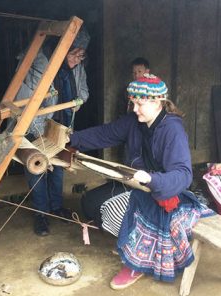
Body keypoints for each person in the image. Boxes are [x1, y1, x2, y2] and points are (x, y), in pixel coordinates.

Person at [69, 73, 215, 289]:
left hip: (164, 193)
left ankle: (139, 261)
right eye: (133, 103)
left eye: (139, 103)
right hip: (137, 185)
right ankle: (129, 242)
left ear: (157, 103)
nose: (134, 108)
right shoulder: (133, 122)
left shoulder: (172, 130)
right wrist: (71, 139)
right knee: (90, 203)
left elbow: (184, 174)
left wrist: (152, 179)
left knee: (112, 210)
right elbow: (105, 133)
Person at [14, 27, 90, 236]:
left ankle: (56, 208)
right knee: (37, 169)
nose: (77, 60)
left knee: (57, 167)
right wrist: (36, 131)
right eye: (74, 54)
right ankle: (41, 214)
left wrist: (78, 102)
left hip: (60, 127)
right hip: (34, 126)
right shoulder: (39, 66)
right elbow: (24, 103)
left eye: (81, 55)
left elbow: (83, 91)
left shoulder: (76, 67)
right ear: (61, 48)